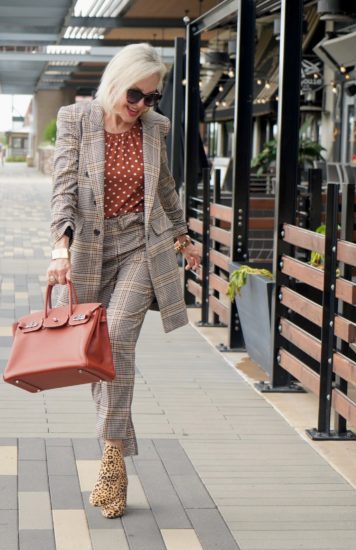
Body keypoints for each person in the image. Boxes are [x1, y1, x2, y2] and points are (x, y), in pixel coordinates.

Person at [47, 43, 202, 519]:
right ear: (116, 82)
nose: (141, 107)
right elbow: (64, 188)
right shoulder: (77, 120)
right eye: (135, 95)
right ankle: (113, 446)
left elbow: (165, 188)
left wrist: (182, 235)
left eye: (151, 98)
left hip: (142, 246)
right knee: (98, 353)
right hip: (92, 249)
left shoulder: (155, 129)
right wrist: (60, 248)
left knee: (115, 338)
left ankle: (112, 461)